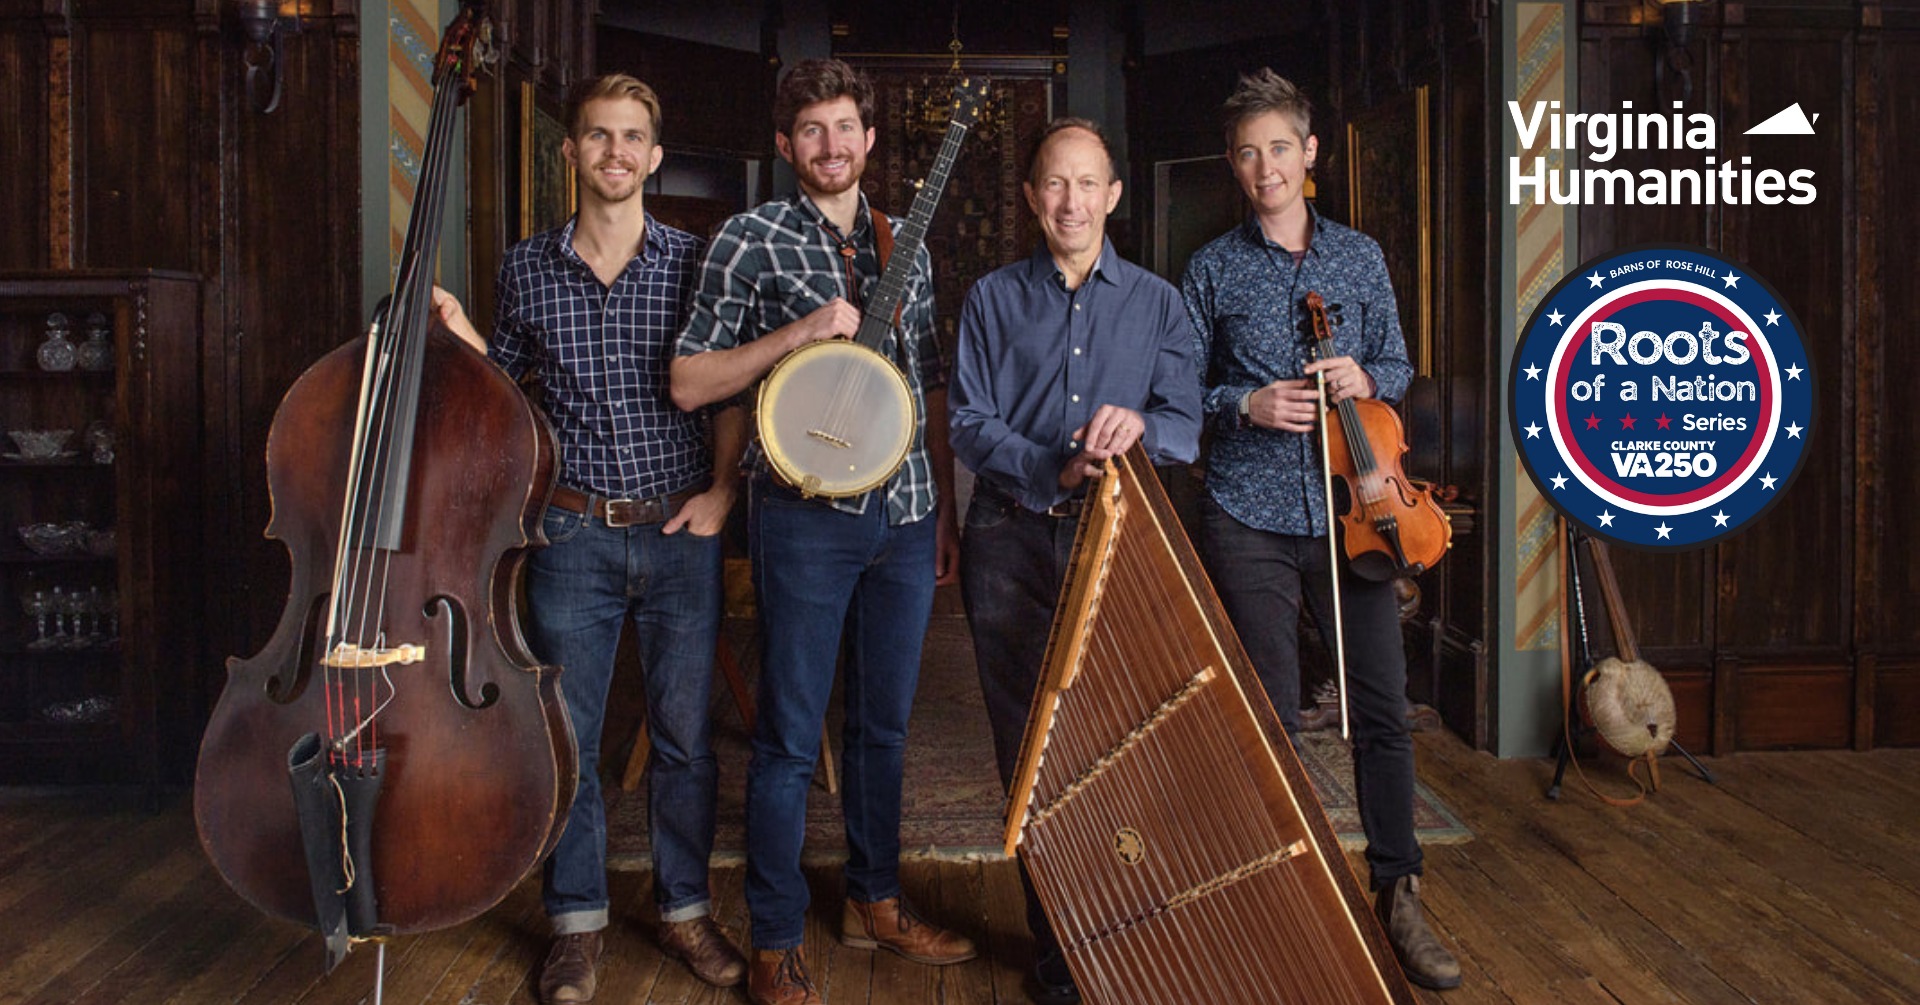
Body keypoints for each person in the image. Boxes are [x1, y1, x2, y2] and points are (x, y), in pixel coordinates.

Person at [431, 73, 747, 1005]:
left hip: (682, 528)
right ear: (571, 153)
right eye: (599, 135)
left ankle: (685, 909)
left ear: (655, 156)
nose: (616, 151)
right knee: (566, 736)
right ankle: (576, 922)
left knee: (685, 739)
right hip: (570, 533)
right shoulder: (527, 267)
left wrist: (724, 494)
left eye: (632, 136)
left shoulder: (696, 262)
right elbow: (506, 396)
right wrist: (464, 334)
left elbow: (727, 391)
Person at [669, 58, 971, 1005]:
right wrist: (796, 334)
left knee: (883, 726)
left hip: (905, 512)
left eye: (846, 128)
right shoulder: (748, 238)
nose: (831, 146)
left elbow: (929, 385)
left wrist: (944, 509)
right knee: (790, 737)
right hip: (803, 516)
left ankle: (874, 900)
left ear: (870, 140)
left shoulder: (905, 244)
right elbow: (691, 380)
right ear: (784, 143)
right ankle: (773, 935)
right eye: (812, 130)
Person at [1178, 68, 1461, 991]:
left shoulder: (1361, 257)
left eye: (1280, 149)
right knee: (1268, 716)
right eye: (1247, 153)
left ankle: (1399, 890)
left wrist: (1366, 379)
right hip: (1248, 512)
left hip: (1360, 509)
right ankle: (1283, 895)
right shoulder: (1210, 267)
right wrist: (1246, 402)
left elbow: (1398, 363)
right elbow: (1180, 392)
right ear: (1232, 164)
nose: (1265, 167)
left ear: (1310, 153)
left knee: (1379, 706)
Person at [949, 117, 1203, 1005]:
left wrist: (1143, 427)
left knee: (1122, 738)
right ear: (1031, 196)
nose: (1071, 201)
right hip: (1010, 537)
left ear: (1113, 195)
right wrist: (1050, 466)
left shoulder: (1159, 303)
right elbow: (968, 422)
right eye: (1055, 183)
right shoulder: (990, 299)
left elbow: (1185, 423)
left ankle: (1126, 926)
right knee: (1031, 748)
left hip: (1118, 540)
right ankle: (1061, 945)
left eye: (1087, 183)